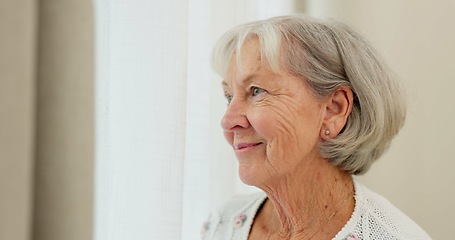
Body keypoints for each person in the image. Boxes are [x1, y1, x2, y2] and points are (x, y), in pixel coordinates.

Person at [201, 15, 431, 240]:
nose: (228, 121)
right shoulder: (222, 224)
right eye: (229, 96)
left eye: (256, 91)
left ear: (334, 110)